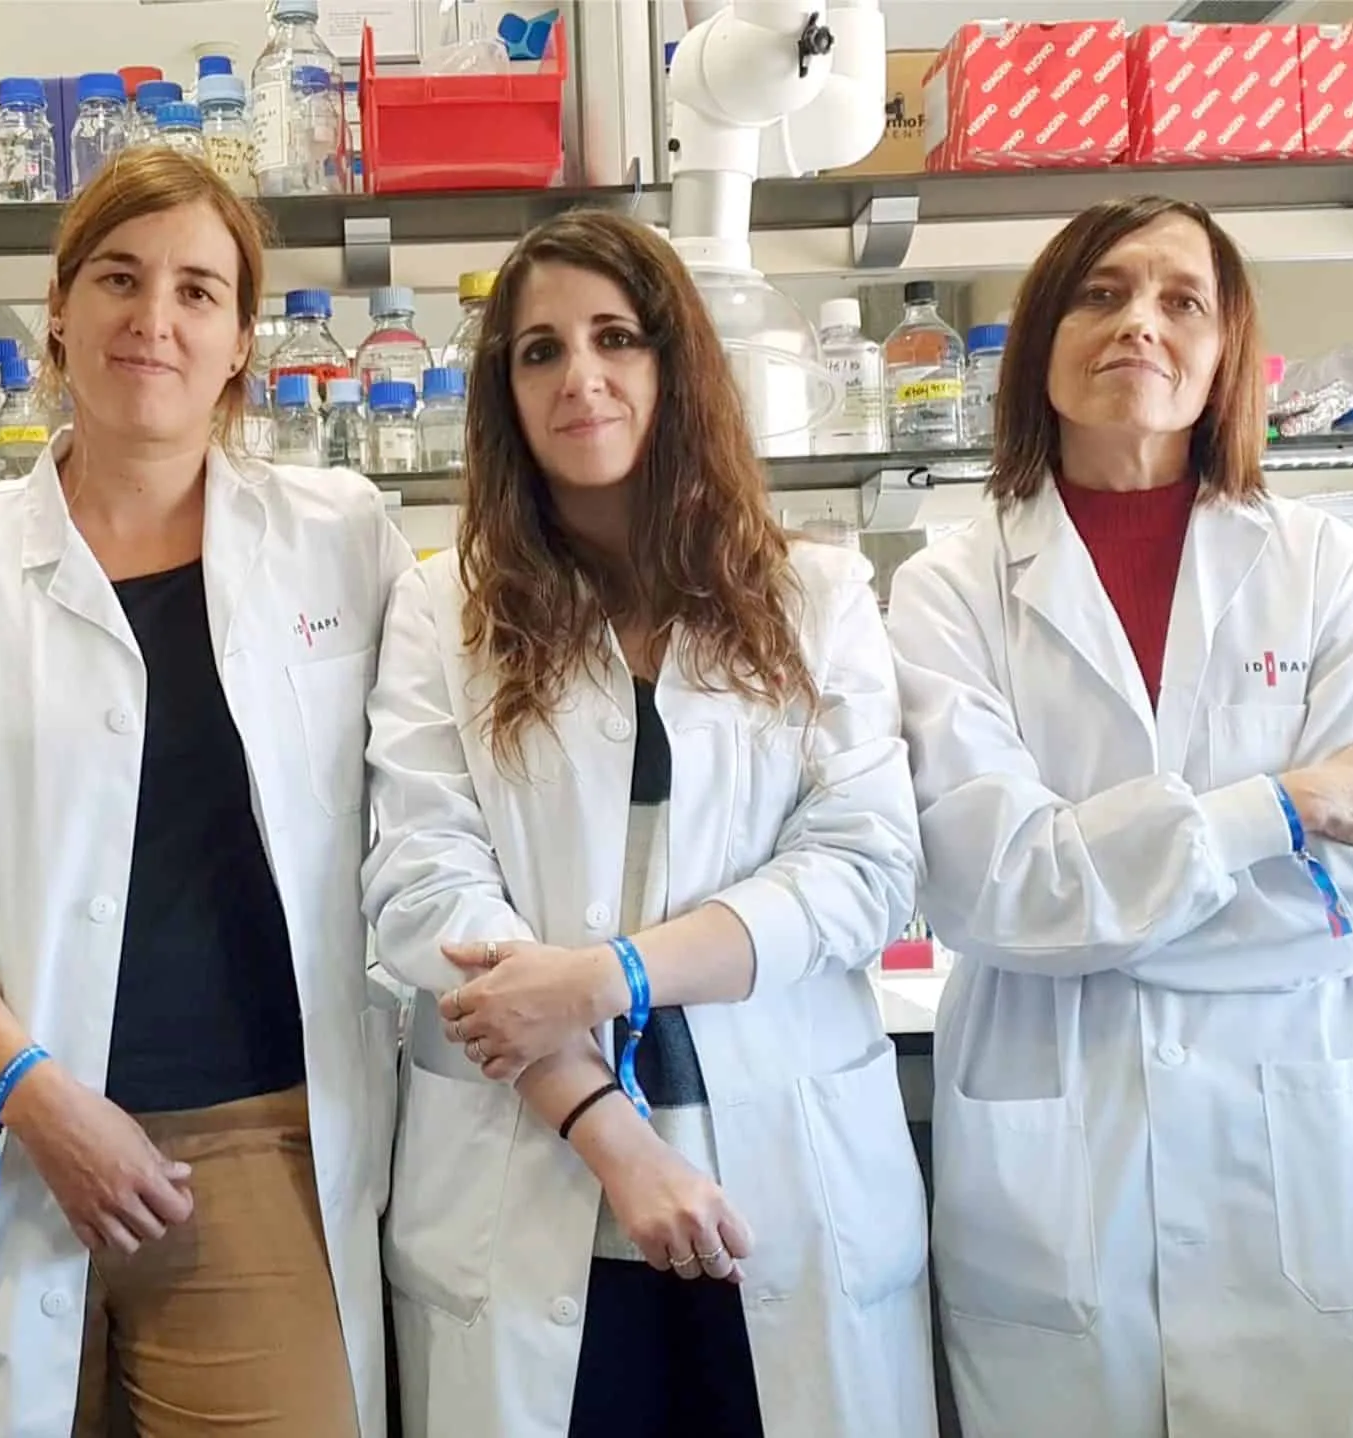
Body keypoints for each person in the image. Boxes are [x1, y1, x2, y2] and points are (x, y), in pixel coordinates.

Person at [0, 147, 409, 1438]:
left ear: (241, 341)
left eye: (198, 291)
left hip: (253, 1144)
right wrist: (34, 1090)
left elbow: (423, 793)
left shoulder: (341, 536)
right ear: (59, 311)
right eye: (120, 280)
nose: (155, 320)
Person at [363, 209, 935, 1438]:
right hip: (535, 1182)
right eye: (540, 350)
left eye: (615, 337)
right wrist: (615, 1139)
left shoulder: (816, 594)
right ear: (503, 394)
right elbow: (422, 879)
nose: (580, 375)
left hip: (780, 1185)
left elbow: (864, 865)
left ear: (675, 364)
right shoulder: (441, 611)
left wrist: (605, 976)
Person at [886, 196, 1353, 1438]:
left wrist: (1086, 908)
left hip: (1288, 1152)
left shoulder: (1324, 570)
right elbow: (985, 886)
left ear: (1225, 350)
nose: (1139, 322)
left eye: (1180, 299)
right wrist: (1284, 806)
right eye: (1100, 294)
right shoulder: (948, 590)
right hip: (1058, 1175)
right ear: (1040, 339)